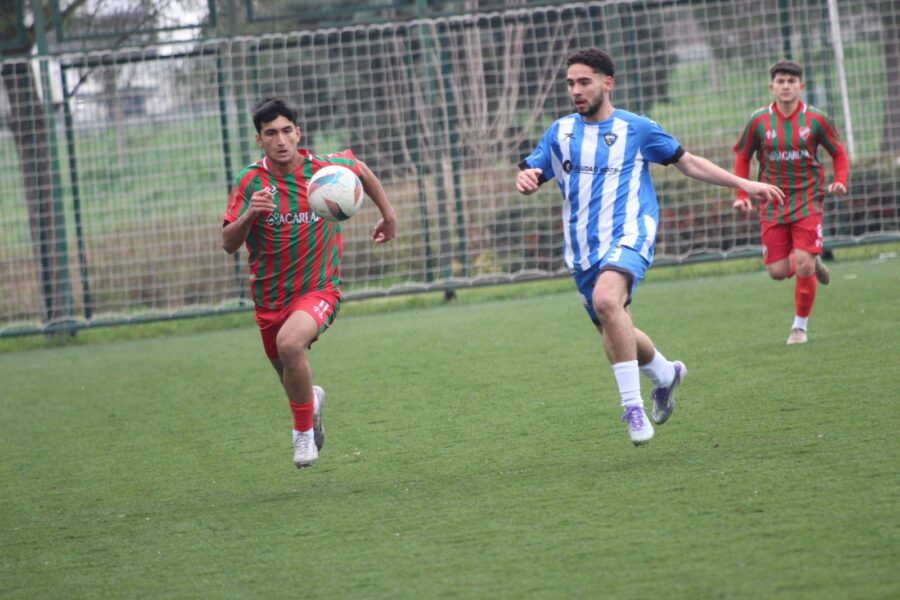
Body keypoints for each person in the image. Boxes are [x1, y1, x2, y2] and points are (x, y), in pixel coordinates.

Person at [516, 49, 784, 446]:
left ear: (608, 82)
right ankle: (664, 372)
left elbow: (687, 162)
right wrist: (526, 177)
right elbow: (535, 169)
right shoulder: (560, 132)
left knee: (609, 303)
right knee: (614, 322)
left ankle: (632, 406)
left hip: (631, 232)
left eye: (584, 81)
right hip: (582, 248)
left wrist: (744, 184)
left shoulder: (637, 128)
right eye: (570, 83)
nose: (575, 90)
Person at [223, 97, 396, 468]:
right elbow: (228, 244)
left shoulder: (323, 170)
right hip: (269, 298)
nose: (281, 140)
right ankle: (311, 402)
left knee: (290, 345)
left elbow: (361, 169)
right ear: (260, 140)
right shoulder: (250, 182)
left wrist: (388, 215)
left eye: (287, 131)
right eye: (271, 134)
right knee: (288, 369)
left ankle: (302, 436)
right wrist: (250, 215)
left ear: (298, 133)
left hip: (320, 288)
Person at [733, 60, 849, 345]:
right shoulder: (759, 121)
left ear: (801, 86)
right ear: (772, 87)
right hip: (772, 201)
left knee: (803, 265)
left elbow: (839, 153)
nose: (786, 86)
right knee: (777, 272)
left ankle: (799, 327)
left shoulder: (817, 120)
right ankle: (811, 257)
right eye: (781, 81)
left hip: (808, 198)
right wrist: (742, 194)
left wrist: (841, 179)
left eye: (791, 81)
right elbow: (742, 157)